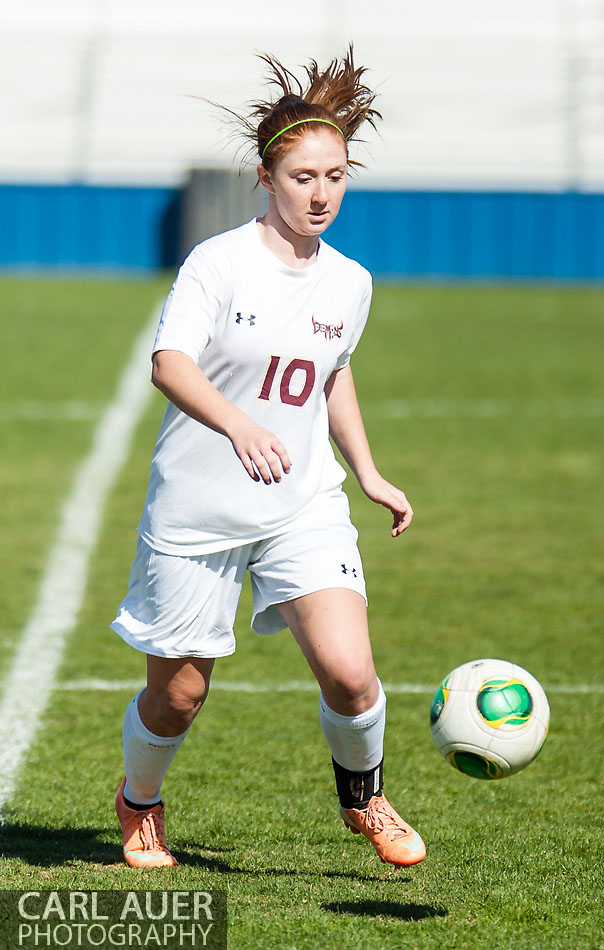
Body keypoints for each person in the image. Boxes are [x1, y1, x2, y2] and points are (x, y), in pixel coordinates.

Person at [111, 46, 425, 870]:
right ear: (266, 177)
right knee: (179, 697)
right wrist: (237, 425)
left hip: (301, 501)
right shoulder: (218, 262)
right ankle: (140, 803)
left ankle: (364, 798)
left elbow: (332, 376)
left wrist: (366, 471)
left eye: (335, 176)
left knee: (352, 675)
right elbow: (168, 364)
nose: (320, 194)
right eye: (302, 178)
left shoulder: (350, 281)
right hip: (199, 506)